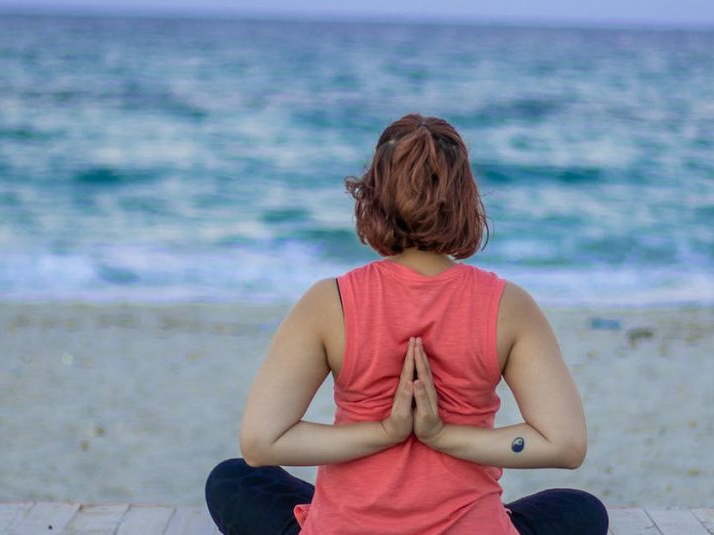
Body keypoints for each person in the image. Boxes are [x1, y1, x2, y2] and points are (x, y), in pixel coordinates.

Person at [205, 113, 609, 535]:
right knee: (581, 509)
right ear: (466, 198)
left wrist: (385, 432)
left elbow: (260, 443)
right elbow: (565, 444)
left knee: (234, 479)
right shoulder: (509, 306)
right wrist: (442, 435)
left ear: (373, 196)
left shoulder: (330, 302)